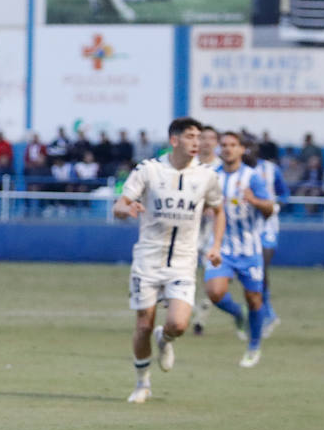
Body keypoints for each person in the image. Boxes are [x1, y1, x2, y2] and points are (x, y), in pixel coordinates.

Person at [112, 116, 223, 404]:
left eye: (198, 136)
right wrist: (126, 209)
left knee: (178, 324)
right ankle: (142, 383)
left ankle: (166, 339)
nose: (196, 142)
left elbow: (219, 209)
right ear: (174, 140)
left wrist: (216, 245)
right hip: (148, 260)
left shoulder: (207, 176)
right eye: (190, 136)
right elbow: (119, 205)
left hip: (184, 262)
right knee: (143, 325)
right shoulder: (149, 170)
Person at [204, 131, 275, 368]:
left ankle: (254, 346)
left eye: (233, 145)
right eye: (224, 145)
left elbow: (270, 208)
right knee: (214, 292)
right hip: (221, 246)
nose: (227, 149)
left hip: (249, 248)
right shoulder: (213, 177)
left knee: (255, 299)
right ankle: (237, 313)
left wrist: (255, 201)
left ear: (242, 149)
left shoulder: (252, 178)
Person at [254, 143, 289, 338]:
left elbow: (284, 194)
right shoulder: (237, 171)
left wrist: (273, 206)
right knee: (252, 274)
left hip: (267, 226)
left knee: (261, 269)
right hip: (246, 229)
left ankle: (267, 315)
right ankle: (264, 314)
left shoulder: (271, 169)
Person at [190, 124, 222, 336]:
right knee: (185, 274)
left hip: (212, 232)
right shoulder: (190, 166)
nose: (206, 142)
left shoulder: (221, 168)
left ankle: (201, 316)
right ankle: (188, 312)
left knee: (211, 280)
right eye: (203, 138)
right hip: (189, 229)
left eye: (211, 138)